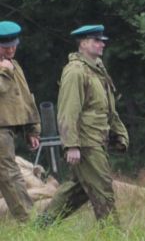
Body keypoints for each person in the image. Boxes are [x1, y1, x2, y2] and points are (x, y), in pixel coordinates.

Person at [40, 24, 126, 225]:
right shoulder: (75, 71)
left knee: (77, 190)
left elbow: (107, 108)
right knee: (102, 187)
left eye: (102, 40)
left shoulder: (97, 69)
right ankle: (112, 234)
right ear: (83, 43)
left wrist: (119, 133)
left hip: (97, 138)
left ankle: (42, 225)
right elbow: (68, 110)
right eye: (96, 40)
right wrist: (71, 145)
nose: (102, 44)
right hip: (86, 141)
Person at [0, 21, 40, 222]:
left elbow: (25, 98)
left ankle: (30, 218)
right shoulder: (7, 68)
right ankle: (29, 220)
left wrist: (32, 129)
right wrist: (4, 72)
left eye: (14, 45)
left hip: (8, 129)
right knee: (10, 173)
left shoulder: (14, 65)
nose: (11, 49)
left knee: (10, 173)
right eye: (6, 47)